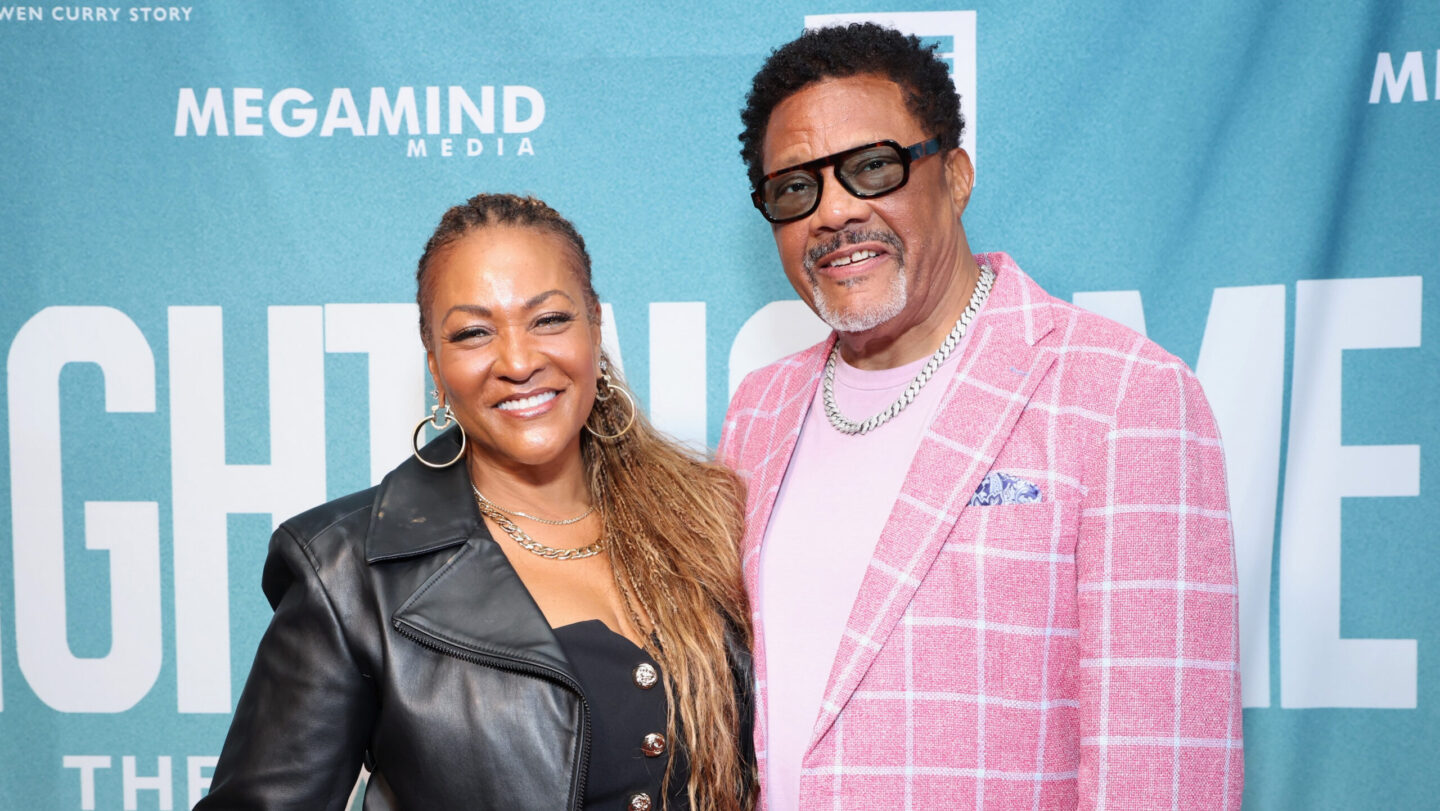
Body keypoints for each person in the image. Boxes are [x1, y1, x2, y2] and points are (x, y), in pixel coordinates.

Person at [719, 24, 1242, 810]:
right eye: (796, 188)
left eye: (872, 167)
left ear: (956, 176)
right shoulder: (758, 408)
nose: (834, 212)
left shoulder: (1126, 396)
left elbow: (1162, 769)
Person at [199, 194, 755, 811]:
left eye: (549, 319)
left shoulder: (711, 519)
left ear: (595, 330)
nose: (518, 361)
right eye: (473, 333)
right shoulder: (347, 571)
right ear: (436, 368)